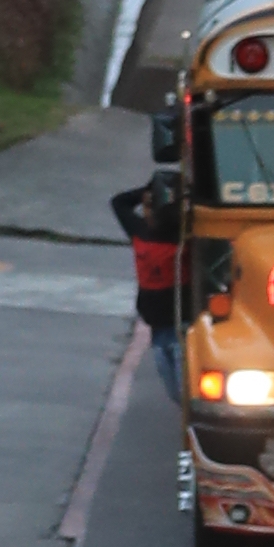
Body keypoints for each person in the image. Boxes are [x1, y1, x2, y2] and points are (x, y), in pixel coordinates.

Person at [110, 170, 185, 399]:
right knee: (176, 395)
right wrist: (151, 189)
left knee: (185, 395)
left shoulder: (184, 236)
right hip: (158, 329)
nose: (148, 211)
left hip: (183, 329)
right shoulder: (140, 231)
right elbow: (119, 202)